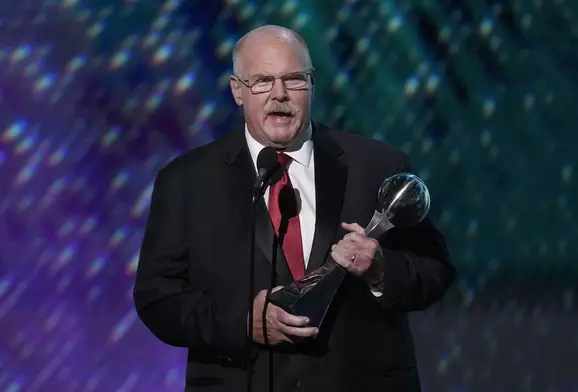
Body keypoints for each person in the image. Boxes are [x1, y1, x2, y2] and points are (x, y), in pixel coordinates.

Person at [133, 24, 455, 392]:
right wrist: (242, 322)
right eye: (263, 81)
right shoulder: (187, 182)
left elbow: (436, 271)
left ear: (312, 85)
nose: (280, 95)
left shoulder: (377, 166)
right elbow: (157, 297)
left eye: (294, 80)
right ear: (237, 91)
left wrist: (380, 268)